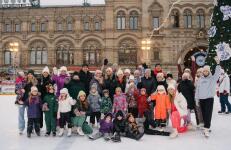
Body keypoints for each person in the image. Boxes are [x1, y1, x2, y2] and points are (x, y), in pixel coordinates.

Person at [195, 57, 221, 138]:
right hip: (201, 99)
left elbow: (217, 73)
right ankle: (206, 126)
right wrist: (196, 99)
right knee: (203, 113)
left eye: (207, 71)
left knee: (208, 113)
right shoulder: (200, 79)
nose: (205, 72)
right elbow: (197, 90)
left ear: (209, 71)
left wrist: (218, 64)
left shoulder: (212, 79)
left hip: (209, 99)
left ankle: (206, 127)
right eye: (204, 71)